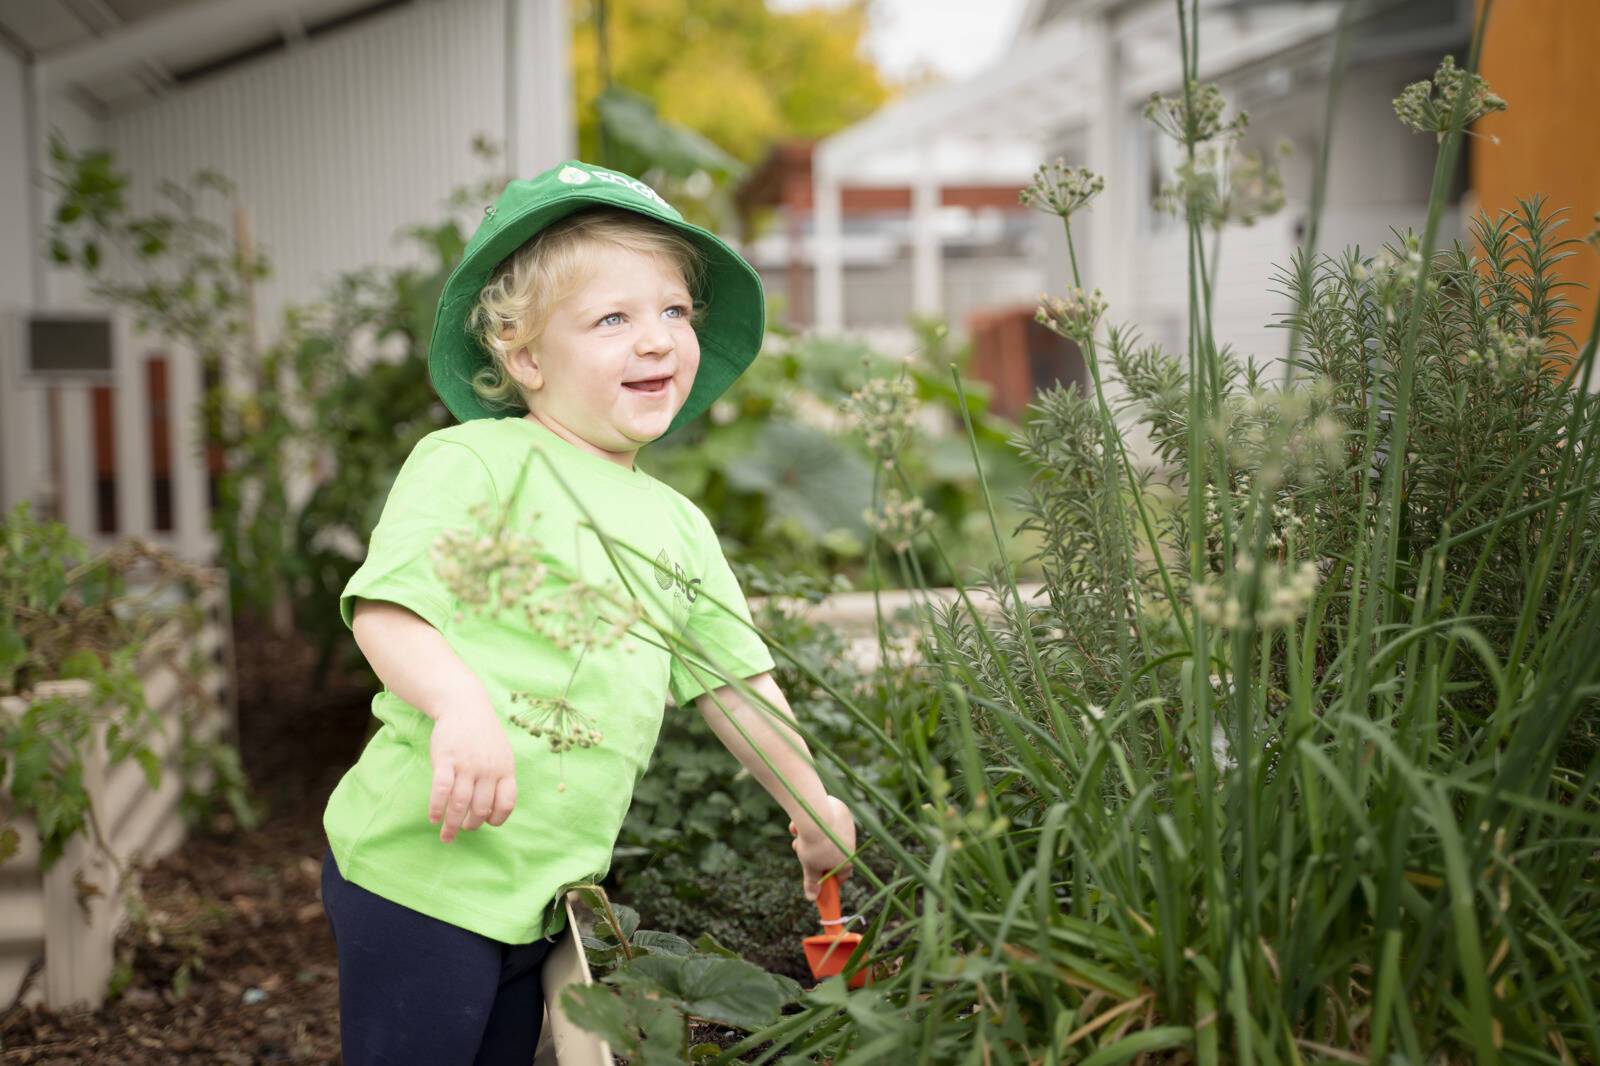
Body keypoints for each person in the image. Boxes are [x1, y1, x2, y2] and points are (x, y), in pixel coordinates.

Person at [318, 159, 857, 1065]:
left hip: (543, 890)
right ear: (525, 356)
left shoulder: (679, 529)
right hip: (419, 866)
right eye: (613, 318)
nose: (655, 341)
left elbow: (738, 685)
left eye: (674, 312)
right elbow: (388, 608)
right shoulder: (477, 463)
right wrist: (460, 706)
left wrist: (810, 803)